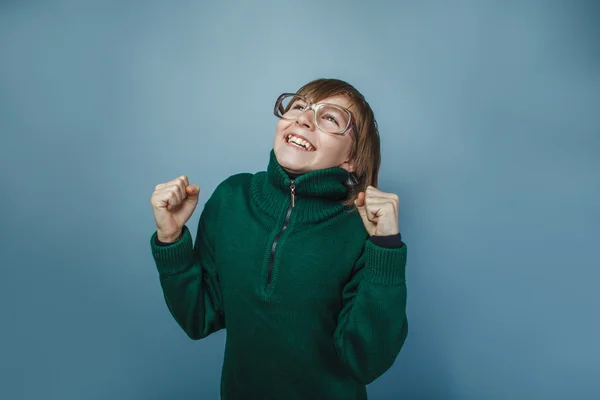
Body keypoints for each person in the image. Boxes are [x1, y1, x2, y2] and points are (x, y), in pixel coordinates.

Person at [149, 78, 408, 400]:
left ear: (351, 159)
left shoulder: (363, 229)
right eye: (299, 106)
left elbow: (367, 362)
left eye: (330, 118)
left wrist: (386, 250)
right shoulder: (232, 198)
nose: (304, 118)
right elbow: (198, 317)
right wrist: (171, 238)